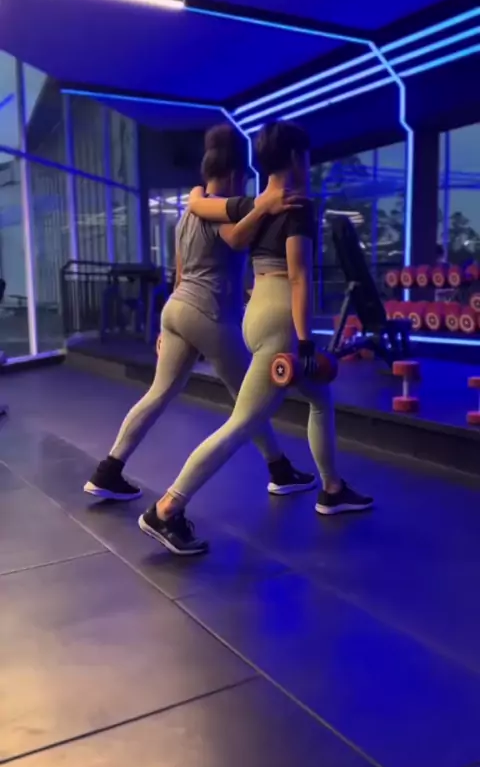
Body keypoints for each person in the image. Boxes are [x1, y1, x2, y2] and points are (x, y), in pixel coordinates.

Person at [139, 121, 373, 556]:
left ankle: (332, 488)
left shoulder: (252, 204)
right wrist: (305, 342)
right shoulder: (299, 206)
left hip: (254, 313)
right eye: (305, 157)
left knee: (320, 398)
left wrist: (203, 194)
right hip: (281, 318)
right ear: (295, 158)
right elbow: (299, 277)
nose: (307, 163)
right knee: (242, 422)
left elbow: (200, 206)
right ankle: (167, 508)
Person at [84, 124, 314, 502]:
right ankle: (277, 470)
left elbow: (180, 272)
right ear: (235, 175)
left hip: (177, 308)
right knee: (248, 403)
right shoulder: (222, 211)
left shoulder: (187, 214)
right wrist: (264, 207)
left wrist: (167, 326)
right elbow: (236, 239)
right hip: (208, 312)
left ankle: (108, 469)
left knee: (160, 393)